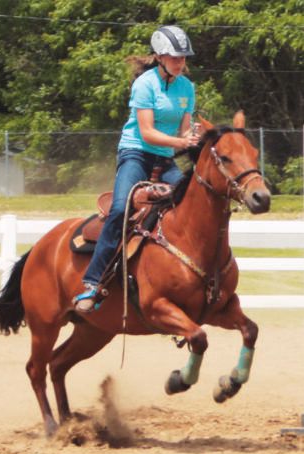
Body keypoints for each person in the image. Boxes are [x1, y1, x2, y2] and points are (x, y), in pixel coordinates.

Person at [74, 25, 200, 313]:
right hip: (136, 154)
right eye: (174, 57)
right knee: (120, 210)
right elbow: (147, 133)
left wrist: (194, 136)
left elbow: (184, 127)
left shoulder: (187, 88)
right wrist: (181, 140)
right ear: (159, 57)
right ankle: (92, 283)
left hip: (165, 159)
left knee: (187, 203)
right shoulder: (145, 84)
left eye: (183, 57)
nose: (180, 62)